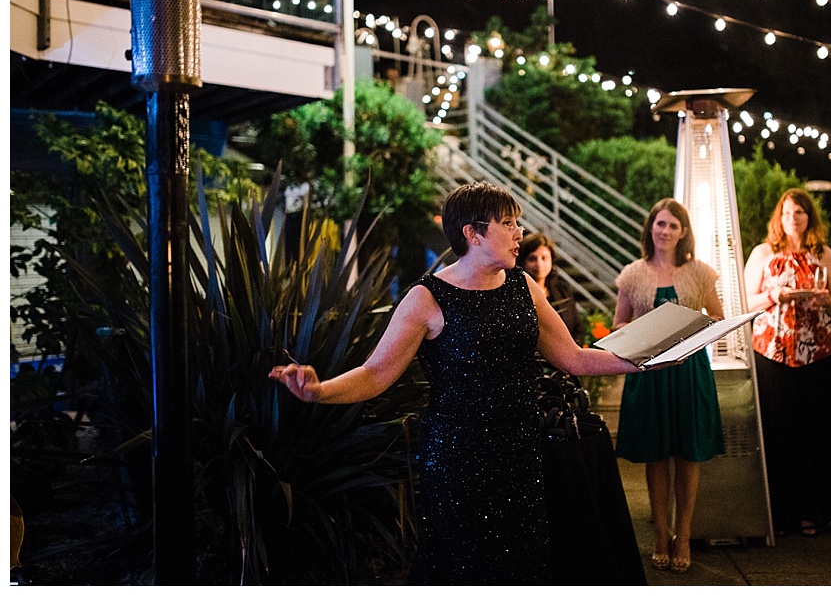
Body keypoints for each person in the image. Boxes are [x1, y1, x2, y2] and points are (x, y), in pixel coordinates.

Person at [268, 181, 645, 585]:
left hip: (520, 451)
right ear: (473, 233)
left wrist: (644, 360)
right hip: (458, 460)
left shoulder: (523, 286)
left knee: (521, 564)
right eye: (507, 223)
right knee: (464, 567)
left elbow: (574, 358)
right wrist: (319, 391)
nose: (519, 233)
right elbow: (376, 374)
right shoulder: (426, 298)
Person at [613, 198, 725, 574]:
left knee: (688, 454)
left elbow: (719, 318)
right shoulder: (632, 274)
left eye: (672, 226)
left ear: (683, 232)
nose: (665, 231)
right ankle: (661, 534)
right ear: (650, 229)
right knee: (655, 454)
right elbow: (618, 325)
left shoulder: (700, 273)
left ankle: (685, 534)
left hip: (689, 372)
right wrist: (641, 335)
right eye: (660, 224)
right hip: (649, 374)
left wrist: (692, 331)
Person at [743, 188, 831, 538]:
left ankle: (811, 510)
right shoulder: (764, 252)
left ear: (811, 217)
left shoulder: (824, 254)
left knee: (814, 432)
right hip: (773, 352)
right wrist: (774, 295)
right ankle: (778, 511)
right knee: (778, 430)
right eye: (788, 212)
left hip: (817, 353)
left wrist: (826, 300)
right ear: (779, 217)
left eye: (801, 213)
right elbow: (746, 299)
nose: (793, 219)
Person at [517, 232, 586, 345]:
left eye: (544, 258)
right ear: (522, 262)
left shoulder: (562, 288)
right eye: (532, 259)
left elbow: (577, 327)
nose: (539, 264)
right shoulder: (516, 293)